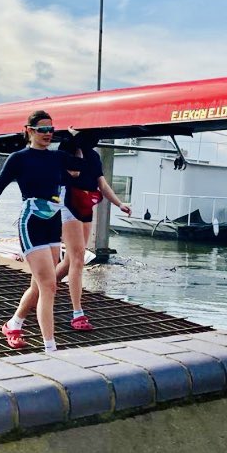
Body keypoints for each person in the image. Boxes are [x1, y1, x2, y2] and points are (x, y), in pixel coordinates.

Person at [0, 110, 85, 353]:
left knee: (40, 286)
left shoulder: (57, 157)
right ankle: (51, 348)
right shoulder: (19, 158)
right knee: (49, 285)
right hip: (31, 224)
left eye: (51, 130)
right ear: (29, 130)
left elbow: (81, 165)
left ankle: (13, 324)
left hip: (52, 223)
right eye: (43, 130)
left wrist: (74, 139)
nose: (48, 134)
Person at [56, 131, 131, 330]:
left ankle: (43, 287)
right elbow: (74, 173)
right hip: (68, 203)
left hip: (86, 204)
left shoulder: (94, 155)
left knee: (71, 260)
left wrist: (119, 204)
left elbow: (102, 184)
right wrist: (76, 147)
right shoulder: (65, 150)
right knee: (78, 259)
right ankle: (77, 313)